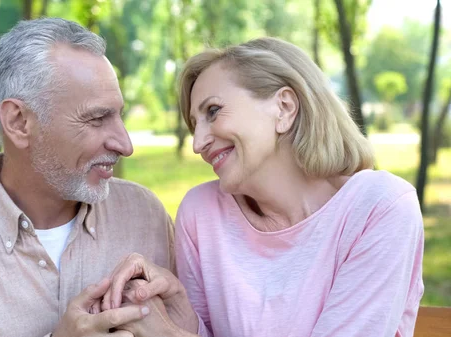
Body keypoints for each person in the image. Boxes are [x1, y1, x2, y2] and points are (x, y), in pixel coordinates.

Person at [101, 37, 425, 337]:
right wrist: (176, 313)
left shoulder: (380, 208)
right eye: (194, 124)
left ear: (284, 108)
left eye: (213, 111)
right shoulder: (201, 213)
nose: (198, 143)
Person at [0, 18, 175, 337]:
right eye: (97, 118)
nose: (125, 144)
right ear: (19, 122)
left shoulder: (146, 215)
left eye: (118, 115)